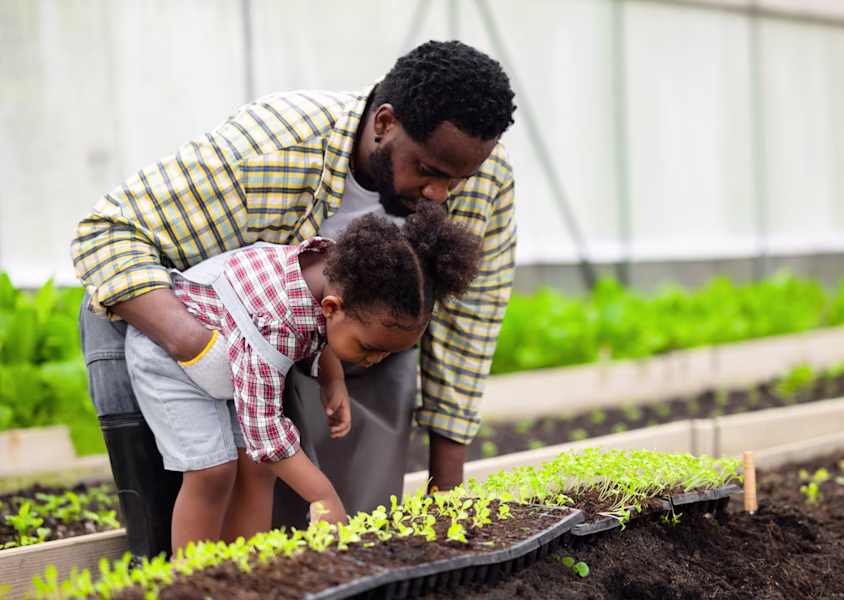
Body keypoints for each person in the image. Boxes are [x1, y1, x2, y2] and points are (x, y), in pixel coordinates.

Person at [74, 39, 517, 559]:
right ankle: (186, 577)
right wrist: (198, 346)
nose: (442, 194)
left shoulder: (484, 174)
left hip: (316, 343)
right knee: (205, 483)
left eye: (456, 179)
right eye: (428, 171)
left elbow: (469, 324)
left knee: (347, 545)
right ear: (385, 123)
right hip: (202, 334)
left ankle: (250, 575)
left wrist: (446, 497)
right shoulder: (273, 146)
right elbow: (105, 233)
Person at [124, 204, 481, 552]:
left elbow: (317, 326)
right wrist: (321, 494)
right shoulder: (276, 321)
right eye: (370, 348)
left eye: (388, 354)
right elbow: (265, 428)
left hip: (227, 358)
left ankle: (246, 574)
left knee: (257, 468)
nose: (375, 361)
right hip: (170, 360)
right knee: (212, 470)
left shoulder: (333, 275)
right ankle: (189, 582)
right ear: (332, 308)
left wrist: (332, 378)